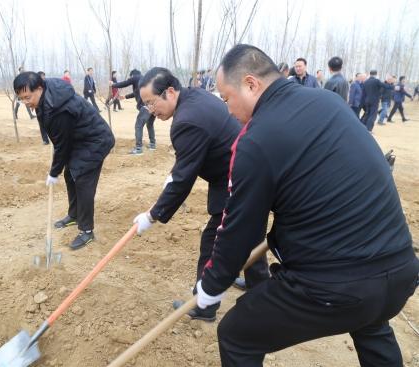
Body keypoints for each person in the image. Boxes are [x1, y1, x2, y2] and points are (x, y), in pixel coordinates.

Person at [196, 43, 418, 367]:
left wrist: (211, 286)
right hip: (400, 271)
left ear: (251, 84)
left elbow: (240, 229)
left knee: (236, 334)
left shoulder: (255, 140)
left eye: (227, 98)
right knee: (370, 322)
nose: (228, 109)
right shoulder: (329, 102)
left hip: (337, 286)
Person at [132, 67, 269, 322]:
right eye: (146, 105)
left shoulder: (186, 121)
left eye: (151, 103)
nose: (151, 110)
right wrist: (174, 174)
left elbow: (184, 179)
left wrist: (152, 215)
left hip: (236, 177)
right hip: (244, 169)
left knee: (214, 241)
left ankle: (204, 305)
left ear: (170, 92)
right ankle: (259, 284)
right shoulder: (194, 96)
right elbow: (187, 161)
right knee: (250, 232)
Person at [13, 72, 115, 249]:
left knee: (82, 179)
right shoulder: (46, 93)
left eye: (27, 97)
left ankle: (87, 231)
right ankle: (74, 214)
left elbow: (63, 146)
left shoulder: (58, 110)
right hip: (79, 137)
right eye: (21, 99)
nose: (26, 102)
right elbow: (54, 133)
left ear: (39, 88)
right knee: (70, 174)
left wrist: (53, 172)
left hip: (96, 140)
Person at [111, 69, 156, 155]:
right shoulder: (144, 80)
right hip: (153, 106)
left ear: (132, 75)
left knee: (138, 125)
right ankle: (152, 145)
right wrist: (125, 96)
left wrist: (113, 84)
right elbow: (136, 92)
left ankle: (138, 148)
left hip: (145, 106)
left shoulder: (135, 77)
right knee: (149, 124)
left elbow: (124, 83)